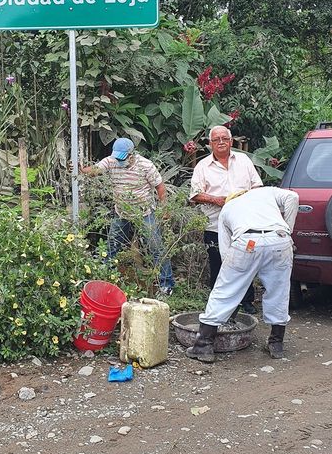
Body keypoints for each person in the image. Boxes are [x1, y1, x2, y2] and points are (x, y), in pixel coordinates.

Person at [186, 185, 299, 363]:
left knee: (224, 290)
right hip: (280, 240)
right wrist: (288, 230)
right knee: (279, 291)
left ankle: (203, 345)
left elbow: (225, 253)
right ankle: (276, 344)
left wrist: (236, 277)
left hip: (247, 242)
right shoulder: (265, 192)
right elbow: (293, 197)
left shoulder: (227, 209)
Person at [79, 137, 174, 295]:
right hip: (122, 212)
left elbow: (160, 187)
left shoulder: (145, 165)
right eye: (117, 158)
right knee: (111, 247)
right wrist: (81, 170)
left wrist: (165, 209)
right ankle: (105, 279)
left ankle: (166, 284)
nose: (119, 161)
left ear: (131, 155)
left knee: (155, 247)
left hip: (144, 213)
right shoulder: (111, 161)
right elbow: (95, 170)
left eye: (122, 158)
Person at [189, 126, 262, 314]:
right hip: (215, 225)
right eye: (216, 139)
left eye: (224, 138)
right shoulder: (202, 166)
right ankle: (219, 303)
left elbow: (257, 186)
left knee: (245, 262)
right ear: (210, 143)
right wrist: (217, 200)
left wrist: (246, 199)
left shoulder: (243, 160)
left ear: (230, 141)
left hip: (244, 224)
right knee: (217, 263)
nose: (221, 142)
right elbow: (195, 194)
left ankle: (246, 301)